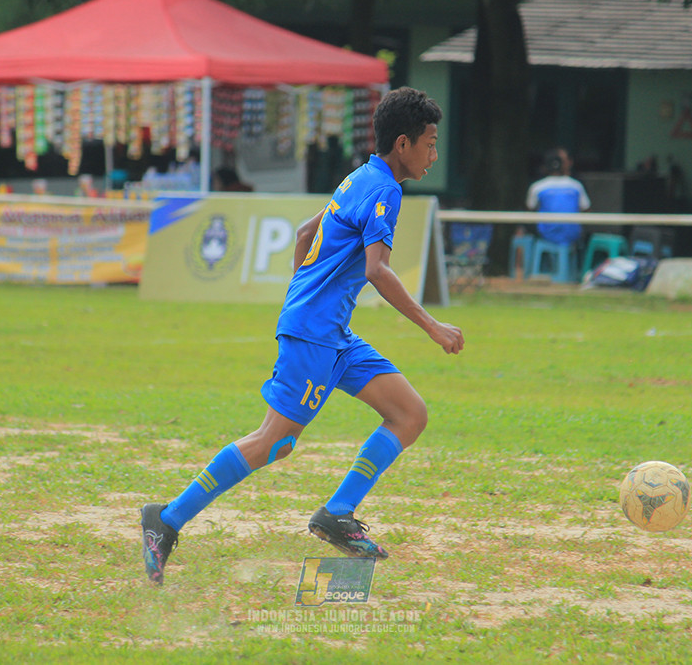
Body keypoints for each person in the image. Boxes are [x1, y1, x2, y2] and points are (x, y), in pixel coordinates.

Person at [141, 87, 464, 585]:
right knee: (275, 442)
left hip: (330, 332)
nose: (434, 154)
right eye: (430, 143)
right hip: (317, 333)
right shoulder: (384, 190)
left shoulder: (359, 176)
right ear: (404, 144)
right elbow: (378, 270)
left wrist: (303, 296)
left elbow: (301, 235)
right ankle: (166, 520)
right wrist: (432, 326)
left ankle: (337, 513)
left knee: (409, 413)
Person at [525, 147, 591, 245]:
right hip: (573, 236)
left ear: (544, 167)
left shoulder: (537, 187)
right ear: (563, 166)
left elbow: (529, 210)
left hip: (547, 236)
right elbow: (587, 209)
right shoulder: (576, 185)